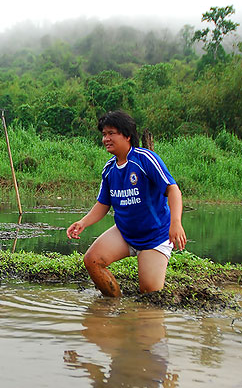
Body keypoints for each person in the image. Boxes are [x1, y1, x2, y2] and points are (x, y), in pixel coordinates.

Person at [67, 110, 186, 296]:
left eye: (111, 133)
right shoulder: (109, 169)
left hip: (154, 237)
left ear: (127, 135)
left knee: (150, 295)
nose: (106, 138)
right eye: (104, 134)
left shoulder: (144, 159)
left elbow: (173, 189)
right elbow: (103, 204)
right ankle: (114, 304)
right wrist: (83, 222)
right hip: (124, 232)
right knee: (92, 261)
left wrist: (176, 223)